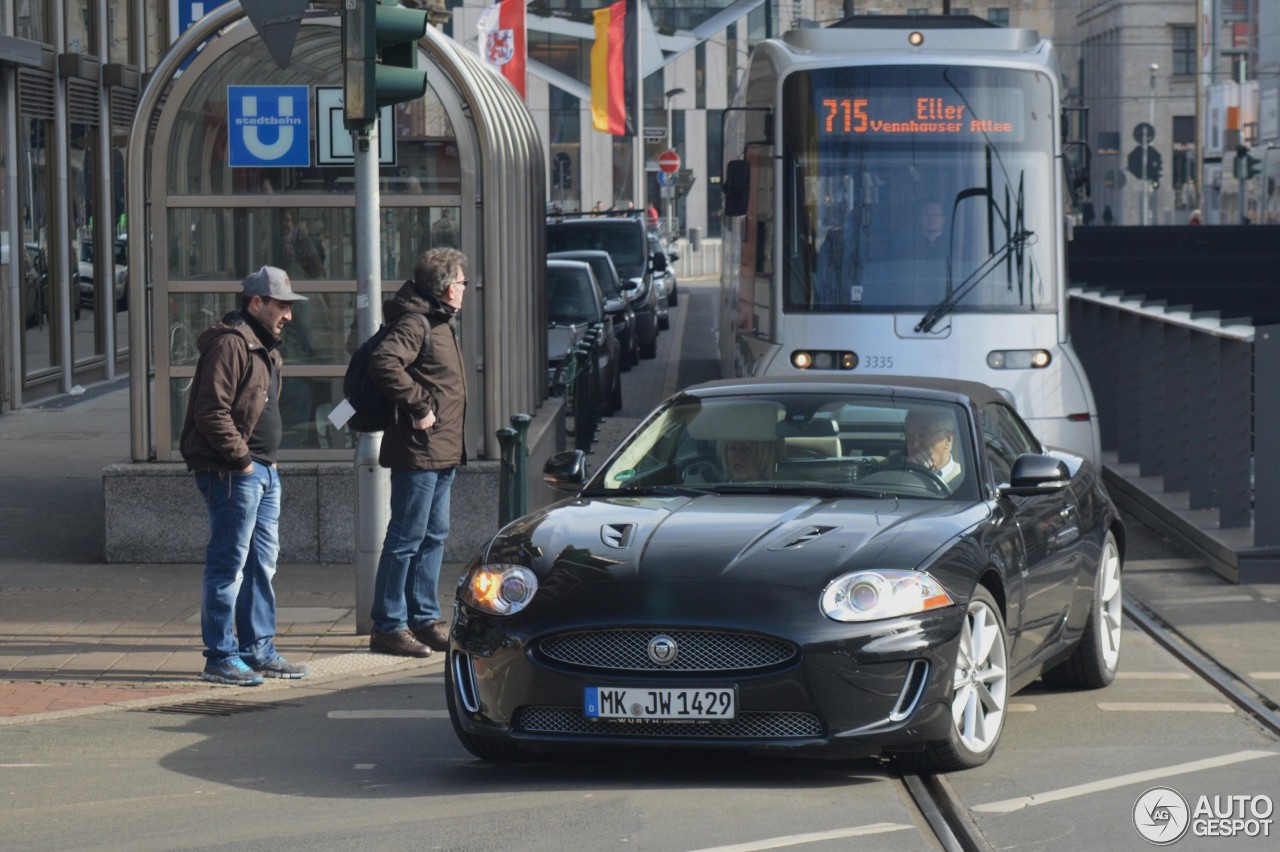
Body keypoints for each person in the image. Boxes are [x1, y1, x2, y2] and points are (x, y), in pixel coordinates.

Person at [179, 266, 311, 685]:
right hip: (236, 473)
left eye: (290, 306)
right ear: (257, 303)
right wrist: (242, 461)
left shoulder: (266, 347)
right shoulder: (232, 345)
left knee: (261, 566)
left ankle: (258, 650)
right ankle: (220, 657)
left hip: (262, 472)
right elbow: (210, 411)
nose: (288, 314)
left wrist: (262, 466)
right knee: (229, 565)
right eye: (282, 305)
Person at [367, 248, 469, 658]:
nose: (464, 289)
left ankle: (423, 618)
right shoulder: (416, 323)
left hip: (441, 451)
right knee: (406, 539)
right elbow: (384, 362)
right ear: (446, 289)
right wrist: (421, 407)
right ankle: (389, 625)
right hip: (419, 451)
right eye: (461, 282)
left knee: (433, 537)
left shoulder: (439, 321)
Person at [902, 407, 962, 491]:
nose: (915, 444)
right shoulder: (899, 477)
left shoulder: (964, 478)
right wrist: (907, 472)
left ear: (948, 439)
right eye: (910, 437)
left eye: (923, 435)